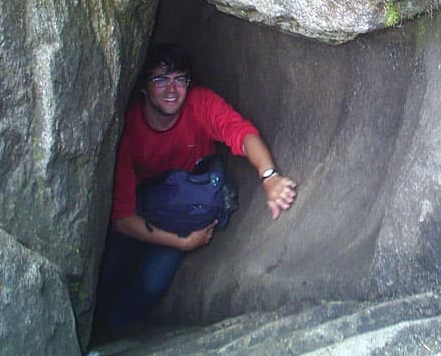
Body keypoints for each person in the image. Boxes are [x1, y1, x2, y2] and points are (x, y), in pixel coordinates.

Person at [93, 43, 296, 335]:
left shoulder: (199, 103)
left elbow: (242, 133)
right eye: (160, 79)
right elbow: (122, 218)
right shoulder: (128, 127)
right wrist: (183, 243)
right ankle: (94, 329)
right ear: (143, 87)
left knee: (152, 284)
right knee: (110, 268)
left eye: (179, 79)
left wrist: (269, 177)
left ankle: (114, 335)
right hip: (141, 209)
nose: (171, 90)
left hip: (183, 209)